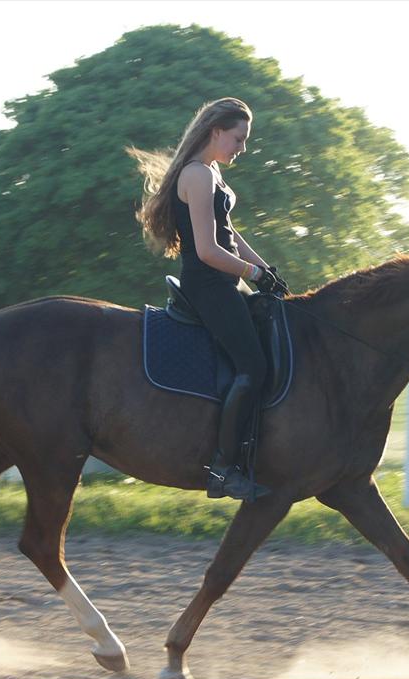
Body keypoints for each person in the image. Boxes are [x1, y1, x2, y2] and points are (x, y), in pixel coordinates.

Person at [129, 98, 288, 501]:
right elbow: (207, 250)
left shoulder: (213, 172)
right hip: (208, 287)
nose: (242, 148)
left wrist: (266, 270)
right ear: (216, 132)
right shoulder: (197, 176)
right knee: (251, 366)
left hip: (227, 282)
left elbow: (231, 235)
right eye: (238, 138)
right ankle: (222, 470)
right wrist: (251, 273)